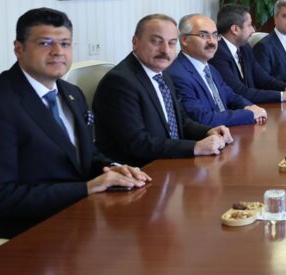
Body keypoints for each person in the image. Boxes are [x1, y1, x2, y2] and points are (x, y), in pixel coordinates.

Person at [0, 8, 149, 238]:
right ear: (19, 49)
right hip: (28, 234)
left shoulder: (71, 93)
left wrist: (113, 168)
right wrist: (86, 188)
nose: (58, 52)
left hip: (79, 219)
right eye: (45, 43)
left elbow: (84, 156)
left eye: (65, 44)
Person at [93, 14, 232, 167]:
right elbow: (137, 143)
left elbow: (181, 120)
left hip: (168, 163)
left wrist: (208, 131)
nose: (165, 50)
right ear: (135, 42)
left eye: (171, 43)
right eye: (156, 41)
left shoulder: (162, 74)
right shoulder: (119, 82)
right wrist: (195, 147)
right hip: (140, 171)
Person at [166, 14, 269, 127]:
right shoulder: (177, 74)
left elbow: (231, 96)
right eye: (203, 35)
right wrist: (250, 114)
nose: (212, 42)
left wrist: (251, 107)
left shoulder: (210, 68)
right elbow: (203, 118)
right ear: (184, 40)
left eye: (215, 35)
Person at [210, 4, 286, 105]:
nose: (253, 30)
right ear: (235, 29)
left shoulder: (244, 48)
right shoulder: (218, 53)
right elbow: (240, 92)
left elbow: (263, 79)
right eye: (249, 25)